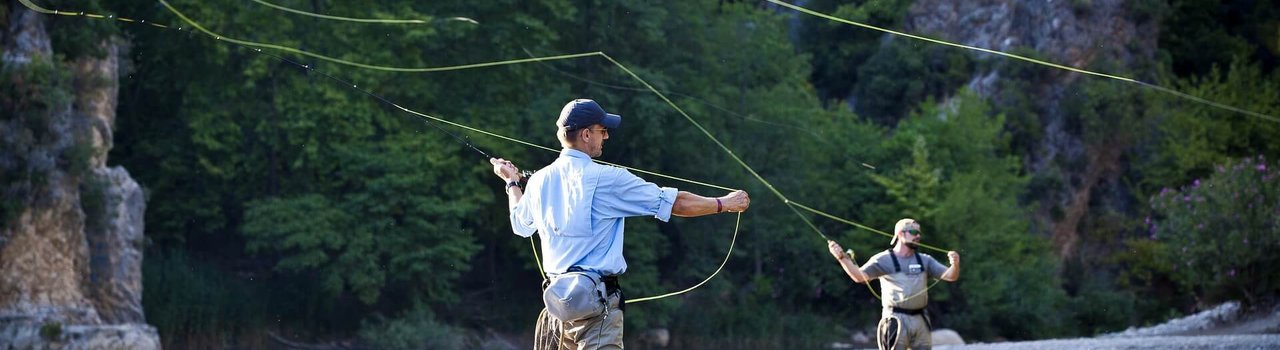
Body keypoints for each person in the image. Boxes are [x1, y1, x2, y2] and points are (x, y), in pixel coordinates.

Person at [490, 98, 750, 350]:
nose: (607, 136)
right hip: (597, 307)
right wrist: (724, 203)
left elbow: (520, 225)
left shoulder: (538, 181)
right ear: (586, 135)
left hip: (559, 309)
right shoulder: (608, 178)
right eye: (603, 131)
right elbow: (675, 204)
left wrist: (512, 183)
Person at [827, 218, 960, 350]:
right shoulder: (883, 259)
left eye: (919, 233)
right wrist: (842, 258)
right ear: (901, 234)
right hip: (895, 319)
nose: (918, 236)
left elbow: (950, 276)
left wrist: (955, 264)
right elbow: (859, 277)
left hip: (920, 319)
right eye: (914, 232)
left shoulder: (925, 260)